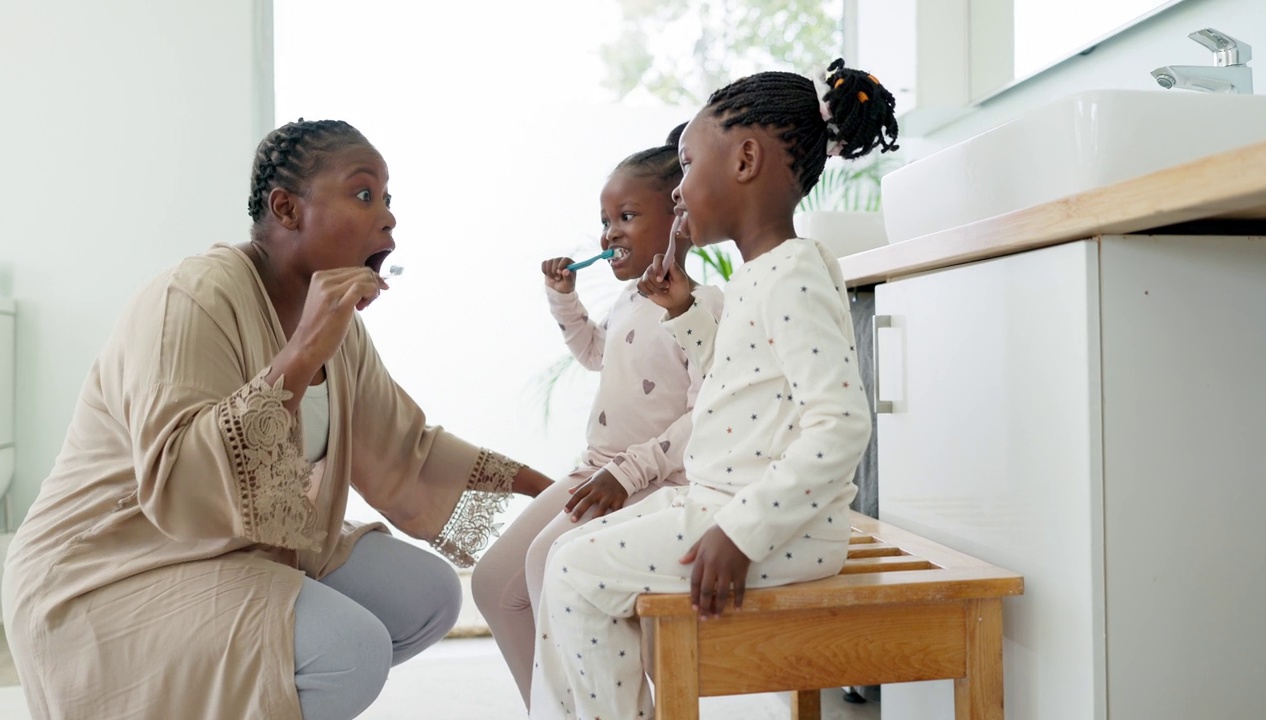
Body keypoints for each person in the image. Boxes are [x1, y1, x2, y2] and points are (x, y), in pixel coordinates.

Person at [1, 118, 554, 720]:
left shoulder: (343, 329)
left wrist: (556, 496)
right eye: (364, 193)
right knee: (349, 650)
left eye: (388, 199)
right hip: (111, 565)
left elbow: (406, 453)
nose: (388, 217)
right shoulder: (190, 299)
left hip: (241, 547)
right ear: (287, 209)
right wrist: (302, 353)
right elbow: (182, 479)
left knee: (429, 595)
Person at [527, 58, 899, 719]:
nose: (678, 192)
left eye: (689, 166)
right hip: (726, 503)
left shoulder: (792, 275)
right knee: (564, 556)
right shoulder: (767, 272)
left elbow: (841, 424)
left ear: (746, 159)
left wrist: (743, 531)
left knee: (572, 575)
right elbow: (741, 384)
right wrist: (685, 312)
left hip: (775, 527)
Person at [471, 124, 725, 708]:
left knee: (546, 564)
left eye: (627, 216)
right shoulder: (629, 300)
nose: (610, 232)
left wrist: (630, 473)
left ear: (677, 215)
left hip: (652, 483)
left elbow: (705, 418)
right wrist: (565, 298)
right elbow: (592, 353)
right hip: (597, 471)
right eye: (606, 220)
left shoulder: (705, 307)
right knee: (492, 584)